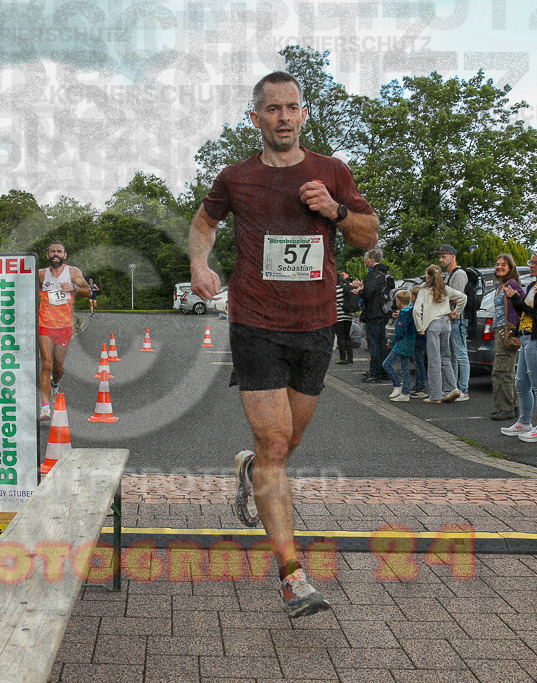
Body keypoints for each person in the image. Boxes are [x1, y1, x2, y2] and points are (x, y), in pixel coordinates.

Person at [189, 71, 378, 618]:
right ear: (256, 118)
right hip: (255, 324)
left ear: (303, 114)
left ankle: (251, 471)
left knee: (285, 446)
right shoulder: (236, 177)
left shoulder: (331, 172)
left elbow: (369, 233)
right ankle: (292, 574)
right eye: (273, 108)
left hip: (315, 325)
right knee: (275, 443)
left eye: (293, 107)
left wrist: (336, 211)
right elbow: (205, 220)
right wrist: (201, 263)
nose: (284, 117)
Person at [501, 250, 537, 442]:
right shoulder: (534, 285)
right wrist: (514, 298)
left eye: (536, 263)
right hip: (527, 338)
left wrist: (516, 299)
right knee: (522, 383)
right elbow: (524, 312)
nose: (531, 266)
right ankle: (524, 422)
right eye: (530, 262)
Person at [37, 241, 91, 421]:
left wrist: (74, 288)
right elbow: (36, 293)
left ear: (64, 255)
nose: (55, 254)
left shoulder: (73, 272)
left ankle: (55, 384)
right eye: (52, 251)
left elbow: (89, 292)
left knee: (58, 368)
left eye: (59, 251)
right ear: (47, 255)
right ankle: (45, 407)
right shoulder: (41, 274)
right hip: (45, 325)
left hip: (64, 327)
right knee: (46, 364)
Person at [413, 265, 466, 404]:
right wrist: (456, 312)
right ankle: (452, 387)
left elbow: (416, 310)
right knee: (446, 357)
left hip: (433, 325)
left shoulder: (424, 291)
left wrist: (420, 327)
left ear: (428, 276)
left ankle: (435, 395)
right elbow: (463, 297)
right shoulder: (445, 289)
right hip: (446, 323)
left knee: (434, 359)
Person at [490, 254, 526, 421]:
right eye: (497, 265)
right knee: (504, 370)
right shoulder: (500, 285)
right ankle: (513, 405)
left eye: (503, 265)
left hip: (507, 331)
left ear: (511, 268)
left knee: (502, 370)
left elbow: (521, 305)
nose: (499, 267)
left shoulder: (512, 284)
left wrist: (513, 328)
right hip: (499, 330)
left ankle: (506, 408)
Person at [436, 245, 472, 401]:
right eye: (440, 257)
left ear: (453, 256)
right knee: (451, 356)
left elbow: (458, 297)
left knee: (460, 355)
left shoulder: (459, 274)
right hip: (450, 319)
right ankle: (453, 388)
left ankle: (464, 389)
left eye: (444, 256)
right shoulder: (449, 275)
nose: (441, 259)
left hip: (457, 319)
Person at [356, 249, 392, 383]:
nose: (365, 261)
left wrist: (360, 291)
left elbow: (368, 294)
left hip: (373, 313)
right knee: (382, 343)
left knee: (373, 344)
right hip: (384, 312)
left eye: (366, 259)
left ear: (371, 259)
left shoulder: (373, 275)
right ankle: (384, 371)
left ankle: (374, 373)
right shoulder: (385, 273)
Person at [382, 290, 415, 401]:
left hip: (402, 343)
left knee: (387, 364)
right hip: (410, 341)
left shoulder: (403, 314)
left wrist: (392, 342)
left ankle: (397, 385)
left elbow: (400, 332)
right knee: (405, 367)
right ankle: (405, 392)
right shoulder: (411, 311)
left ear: (399, 301)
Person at [408, 285, 428, 399]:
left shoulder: (417, 309)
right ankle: (418, 384)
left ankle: (422, 386)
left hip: (418, 338)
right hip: (418, 338)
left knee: (419, 364)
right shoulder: (421, 307)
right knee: (417, 363)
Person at [334, 270, 358, 364]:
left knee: (340, 336)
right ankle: (350, 357)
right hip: (349, 315)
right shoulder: (348, 287)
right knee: (347, 336)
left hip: (339, 315)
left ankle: (342, 358)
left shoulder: (335, 289)